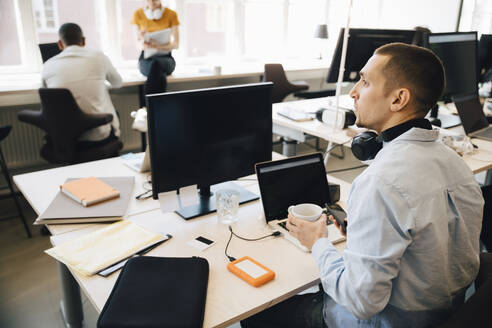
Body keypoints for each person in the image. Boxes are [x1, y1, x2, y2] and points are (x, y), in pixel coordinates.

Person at [241, 43, 484, 328]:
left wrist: (318, 242)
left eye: (365, 81)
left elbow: (361, 302)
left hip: (385, 322)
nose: (353, 92)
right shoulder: (455, 163)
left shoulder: (380, 182)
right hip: (448, 312)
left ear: (398, 100)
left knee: (256, 311)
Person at [42, 22, 123, 146]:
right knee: (110, 111)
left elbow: (47, 98)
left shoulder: (48, 65)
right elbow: (117, 83)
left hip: (65, 138)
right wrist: (100, 85)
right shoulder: (99, 57)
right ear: (84, 40)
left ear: (59, 44)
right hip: (98, 136)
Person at [131, 0, 180, 77]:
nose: (151, 2)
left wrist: (157, 47)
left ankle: (148, 90)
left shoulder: (171, 14)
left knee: (156, 66)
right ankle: (159, 90)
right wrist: (143, 41)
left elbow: (176, 45)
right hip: (146, 59)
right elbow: (137, 45)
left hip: (166, 58)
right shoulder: (138, 14)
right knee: (155, 67)